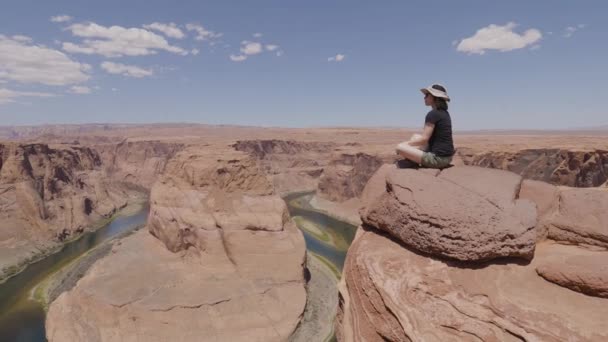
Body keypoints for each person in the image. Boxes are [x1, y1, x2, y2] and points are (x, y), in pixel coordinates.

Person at [396, 84, 455, 169]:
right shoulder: (444, 113)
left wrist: (404, 144)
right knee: (415, 136)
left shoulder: (433, 114)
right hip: (447, 158)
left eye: (427, 95)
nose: (424, 98)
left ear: (435, 97)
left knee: (399, 147)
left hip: (437, 160)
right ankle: (414, 158)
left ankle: (413, 160)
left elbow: (424, 140)